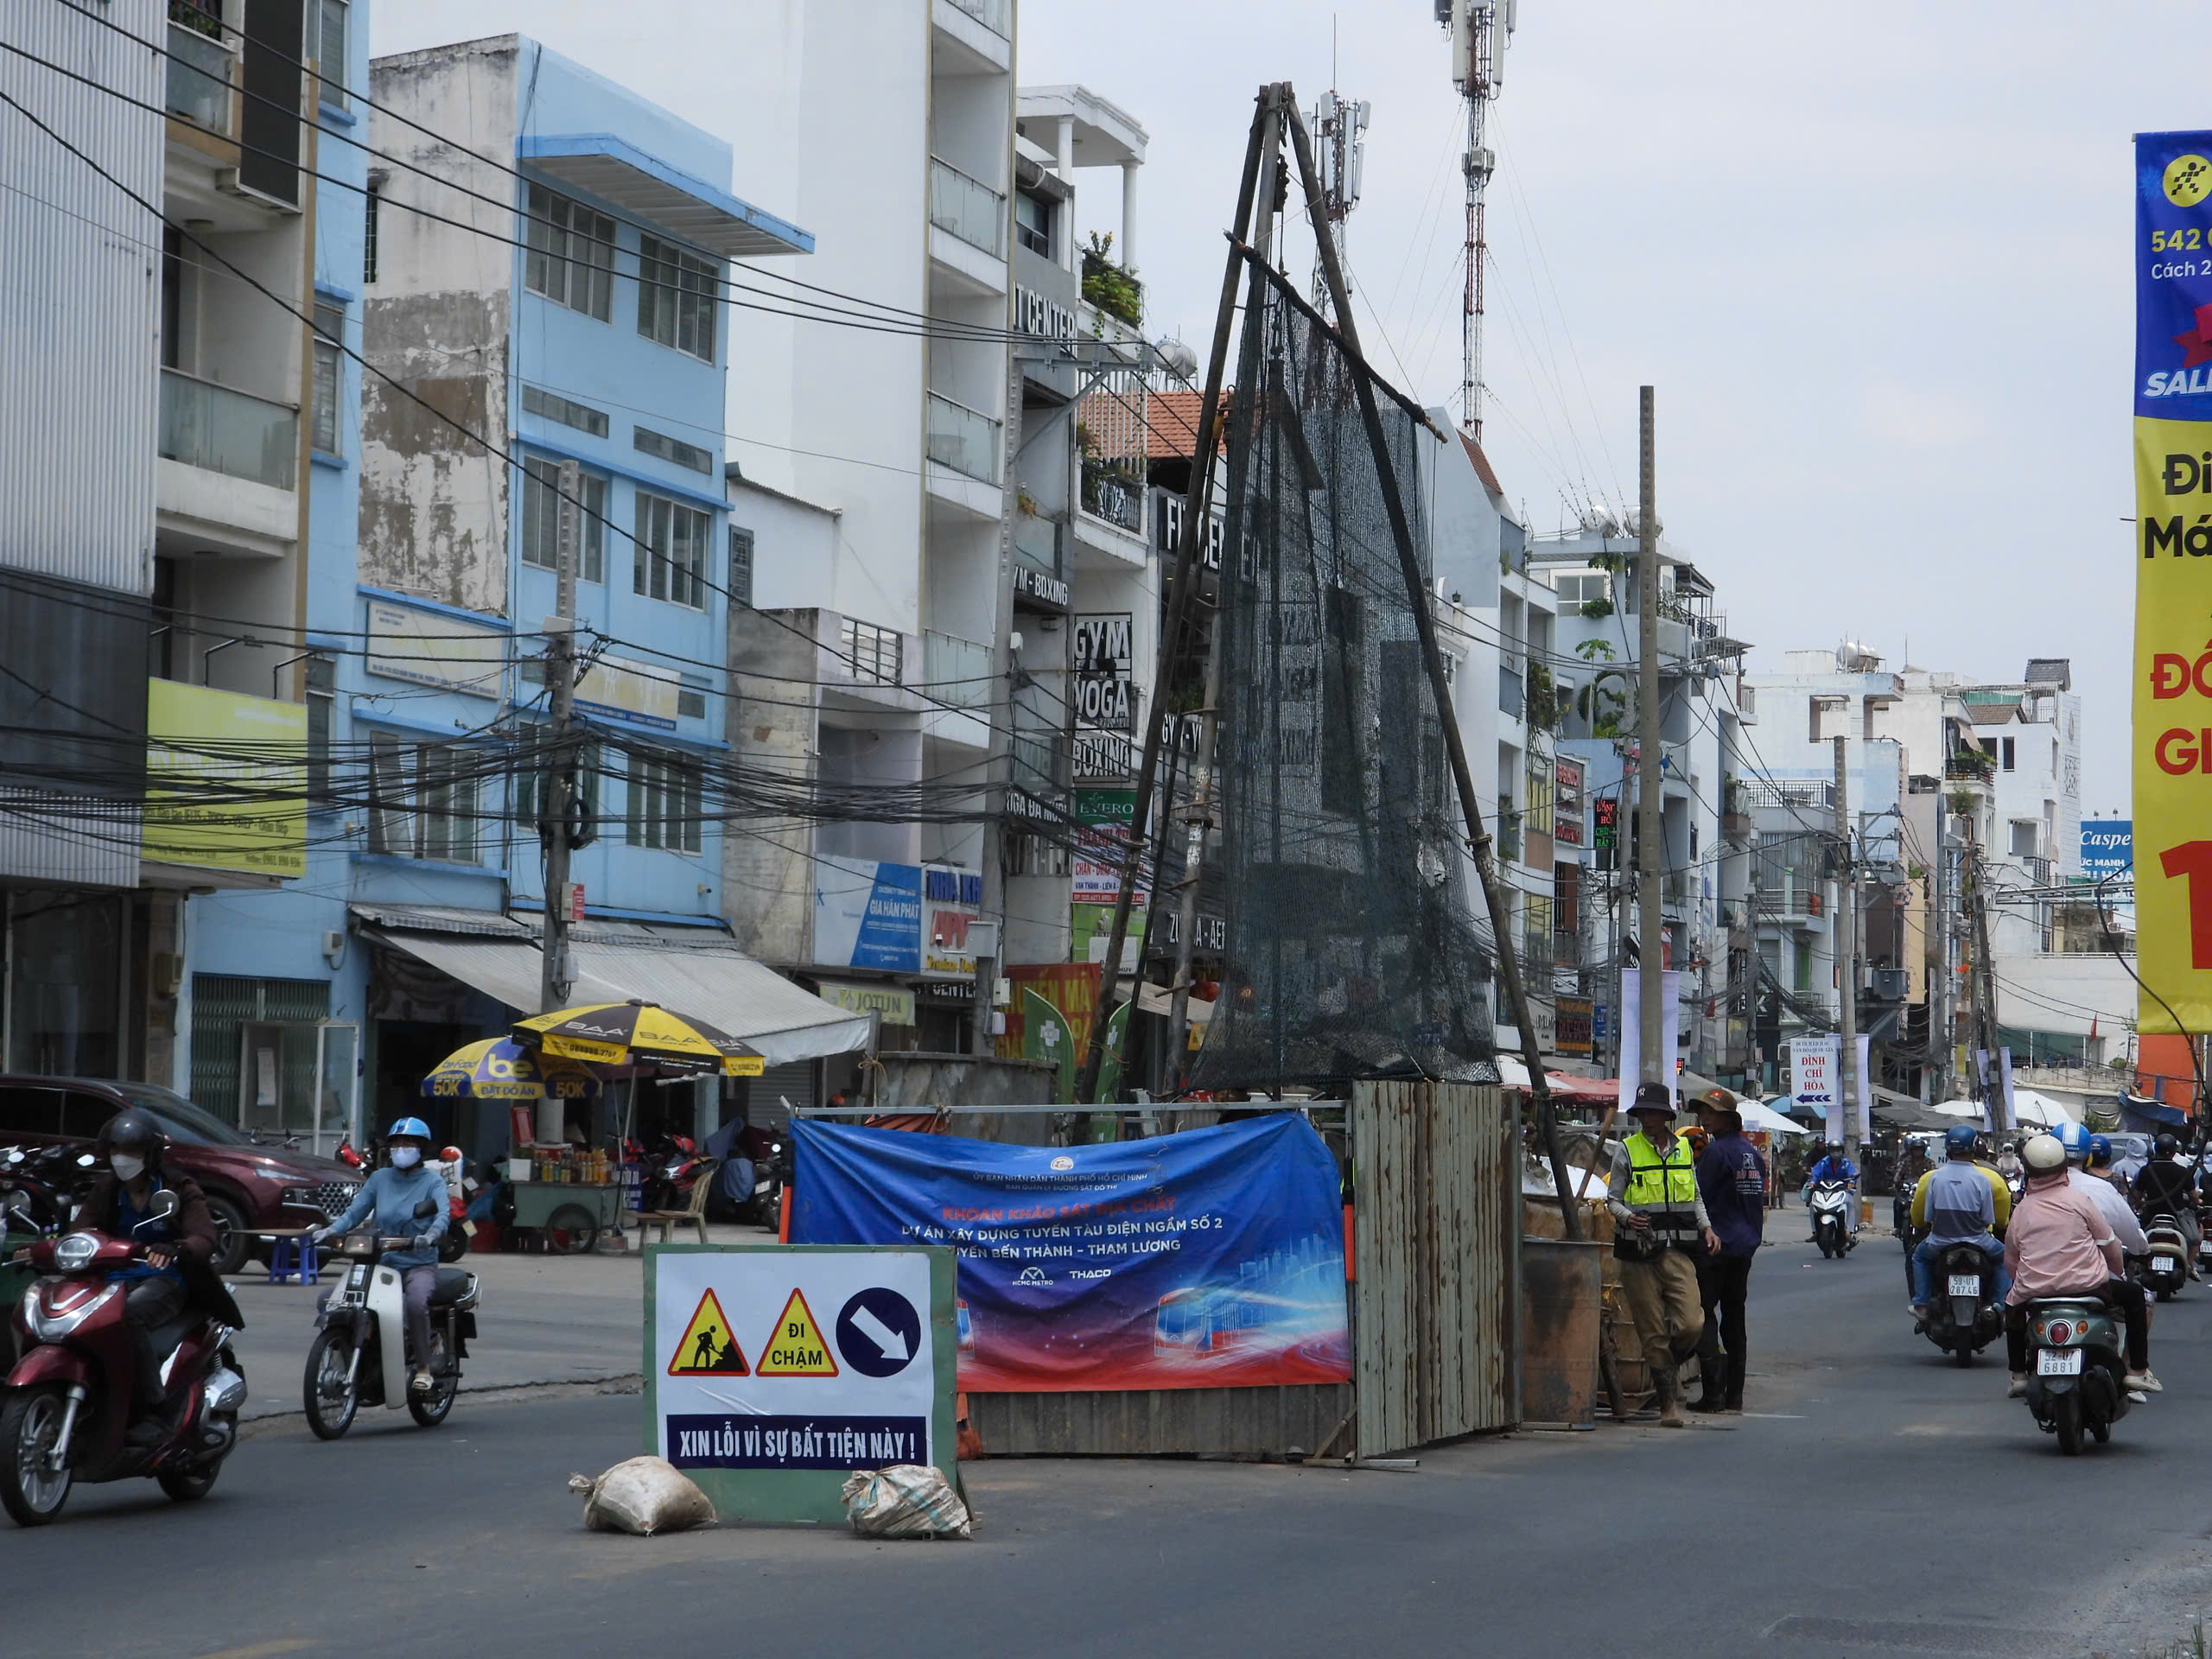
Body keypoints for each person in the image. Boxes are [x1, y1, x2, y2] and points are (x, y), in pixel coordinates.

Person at [67, 1109, 222, 1445]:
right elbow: (81, 1230)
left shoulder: (179, 1188)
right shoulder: (108, 1188)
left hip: (166, 1279)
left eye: (132, 1152)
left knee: (128, 1315)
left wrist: (175, 1247)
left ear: (149, 1155)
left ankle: (156, 1410)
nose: (122, 1159)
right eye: (116, 1151)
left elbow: (204, 1237)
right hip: (113, 1277)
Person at [2003, 1131, 2158, 1396]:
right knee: (2134, 1296)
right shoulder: (2079, 1200)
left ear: (2027, 1169)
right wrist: (2118, 1272)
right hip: (2088, 1287)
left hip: (2036, 1291)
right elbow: (2110, 1243)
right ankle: (2136, 1371)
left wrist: (2024, 1284)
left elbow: (2011, 1259)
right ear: (2065, 1166)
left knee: (2012, 1309)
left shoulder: (2022, 1209)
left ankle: (2018, 1375)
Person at [1605, 1081, 1721, 1429]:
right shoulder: (1627, 1150)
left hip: (1679, 1249)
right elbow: (1613, 1200)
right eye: (1643, 1112)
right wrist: (1628, 1217)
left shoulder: (1685, 1149)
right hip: (1638, 1252)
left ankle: (1665, 1368)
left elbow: (1696, 1196)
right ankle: (1668, 1405)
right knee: (1652, 1331)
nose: (1648, 1118)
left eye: (1654, 1112)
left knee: (1692, 1323)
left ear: (1666, 1115)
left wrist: (1707, 1228)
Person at [314, 1117, 450, 1395]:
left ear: (421, 1149)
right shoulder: (379, 1178)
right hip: (382, 1263)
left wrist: (430, 1236)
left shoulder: (433, 1181)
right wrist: (330, 1229)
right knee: (328, 1298)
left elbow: (443, 1215)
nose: (401, 1149)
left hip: (417, 1264)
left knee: (414, 1303)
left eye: (408, 1144)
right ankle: (349, 1357)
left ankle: (423, 1368)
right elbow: (355, 1212)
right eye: (397, 1144)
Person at [1691, 1089, 1766, 1413]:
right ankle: (1735, 1395)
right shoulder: (1753, 1154)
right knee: (1735, 1320)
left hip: (1715, 1246)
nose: (1703, 1117)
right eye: (1702, 1111)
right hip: (1744, 1247)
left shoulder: (1715, 1153)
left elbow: (1697, 1196)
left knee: (1704, 1315)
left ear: (1727, 1117)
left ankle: (1713, 1396)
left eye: (1710, 1112)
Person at [1908, 1124, 2012, 1322]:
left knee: (1918, 1258)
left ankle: (1921, 1304)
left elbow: (1928, 1216)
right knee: (2005, 1259)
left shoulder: (1935, 1177)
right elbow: (1988, 1218)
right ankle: (2000, 1306)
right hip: (1979, 1241)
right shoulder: (1982, 1179)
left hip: (1940, 1242)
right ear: (1974, 1147)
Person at [2057, 1122, 2151, 1259]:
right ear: (2088, 1158)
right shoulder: (2103, 1189)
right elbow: (2130, 1229)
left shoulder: (2033, 1193)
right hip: (2090, 1273)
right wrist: (2142, 1250)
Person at [2133, 1132, 2202, 1277]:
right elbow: (2194, 1198)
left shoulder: (2146, 1170)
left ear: (2155, 1150)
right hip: (2177, 1216)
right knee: (2195, 1240)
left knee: (2134, 1238)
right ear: (2173, 1152)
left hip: (2150, 1216)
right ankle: (2189, 1266)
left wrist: (2136, 1207)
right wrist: (2197, 1202)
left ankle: (2137, 1264)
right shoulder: (2182, 1171)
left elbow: (2137, 1198)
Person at [1802, 1142, 1860, 1236]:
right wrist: (1812, 1182)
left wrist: (1851, 1183)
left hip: (1842, 1191)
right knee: (1813, 1205)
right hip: (1825, 1190)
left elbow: (1852, 1174)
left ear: (1842, 1151)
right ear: (1829, 1151)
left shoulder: (1846, 1163)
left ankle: (1849, 1231)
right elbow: (1815, 1173)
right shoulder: (1823, 1162)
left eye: (1838, 1150)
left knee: (1849, 1203)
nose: (1835, 1153)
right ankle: (1815, 1232)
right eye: (1833, 1150)